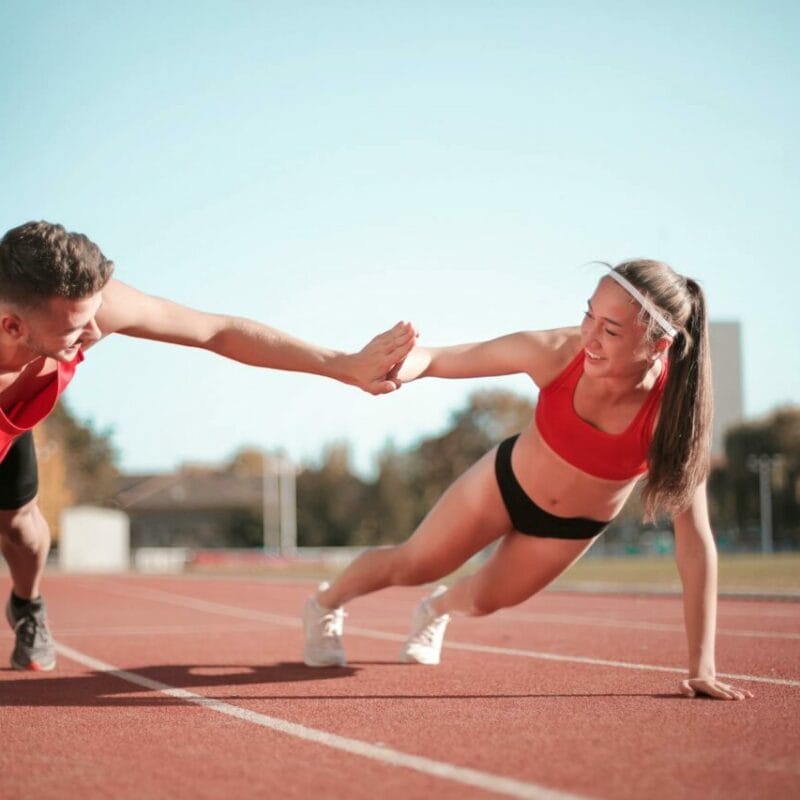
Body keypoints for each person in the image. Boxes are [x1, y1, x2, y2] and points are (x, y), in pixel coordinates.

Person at [303, 259, 753, 701]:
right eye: (588, 315)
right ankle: (325, 604)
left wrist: (702, 668)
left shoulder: (672, 416)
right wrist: (390, 369)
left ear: (657, 347)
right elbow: (441, 358)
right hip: (503, 485)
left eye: (611, 331)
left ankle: (435, 610)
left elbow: (694, 539)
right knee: (414, 564)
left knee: (482, 601)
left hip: (570, 529)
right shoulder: (557, 352)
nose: (590, 337)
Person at [0, 220, 416, 672]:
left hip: (17, 421)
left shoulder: (94, 309)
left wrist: (344, 365)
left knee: (22, 529)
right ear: (13, 326)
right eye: (78, 330)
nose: (96, 335)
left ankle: (28, 605)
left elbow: (216, 332)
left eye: (94, 316)